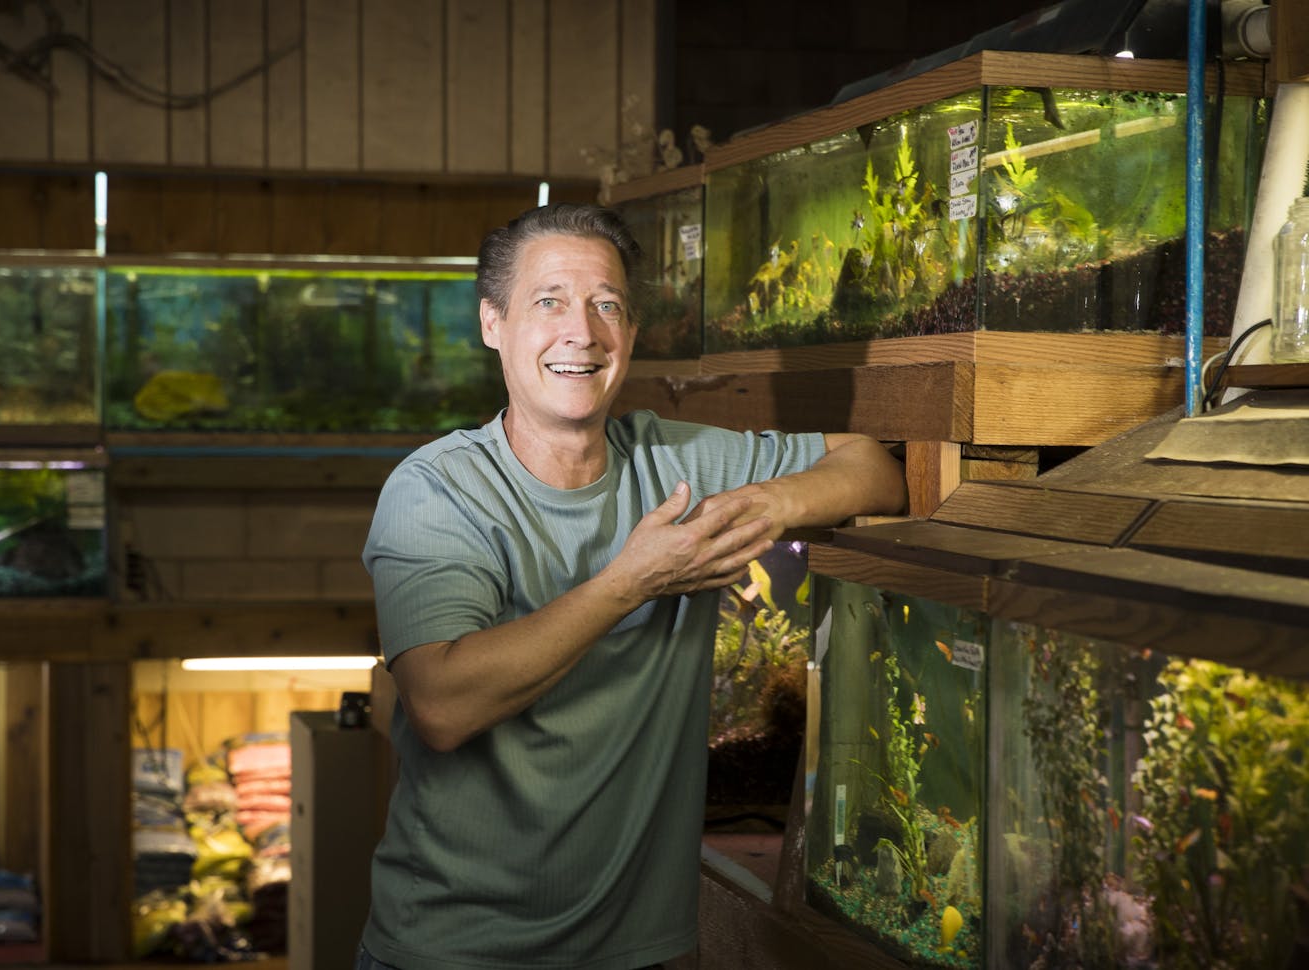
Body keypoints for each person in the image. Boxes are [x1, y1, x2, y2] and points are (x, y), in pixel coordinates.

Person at [358, 203, 906, 970]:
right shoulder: (438, 492)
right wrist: (633, 582)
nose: (581, 331)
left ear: (633, 333)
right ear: (493, 324)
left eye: (606, 305)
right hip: (460, 949)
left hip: (647, 950)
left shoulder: (670, 462)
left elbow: (874, 468)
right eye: (549, 301)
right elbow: (443, 706)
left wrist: (763, 505)